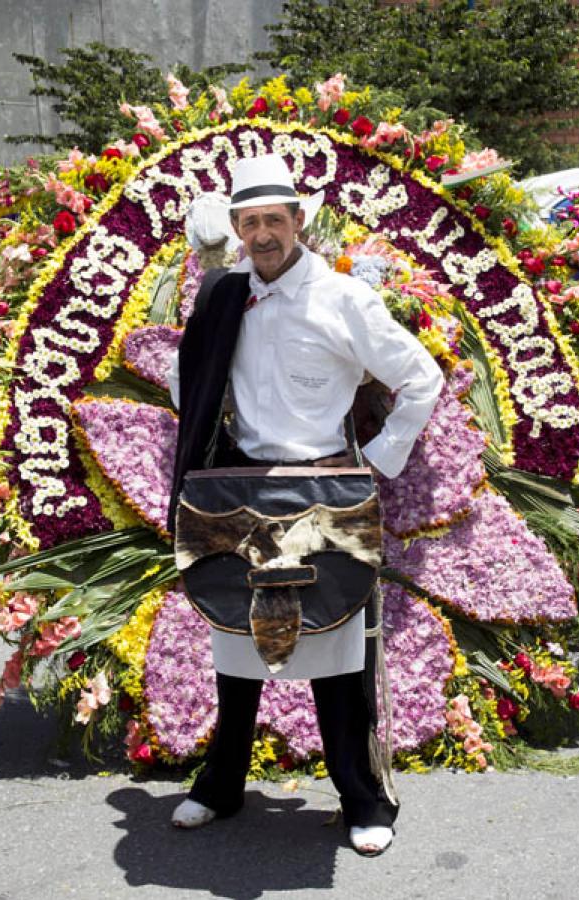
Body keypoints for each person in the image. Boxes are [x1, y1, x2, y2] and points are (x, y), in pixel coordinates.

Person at [166, 154, 443, 856]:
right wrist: (204, 301)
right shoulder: (225, 296)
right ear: (236, 228)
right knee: (235, 643)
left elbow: (421, 379)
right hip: (240, 489)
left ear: (299, 221)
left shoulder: (344, 299)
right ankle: (220, 784)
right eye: (249, 222)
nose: (262, 234)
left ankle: (360, 797)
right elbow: (186, 387)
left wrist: (377, 464)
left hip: (324, 488)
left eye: (274, 220)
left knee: (336, 649)